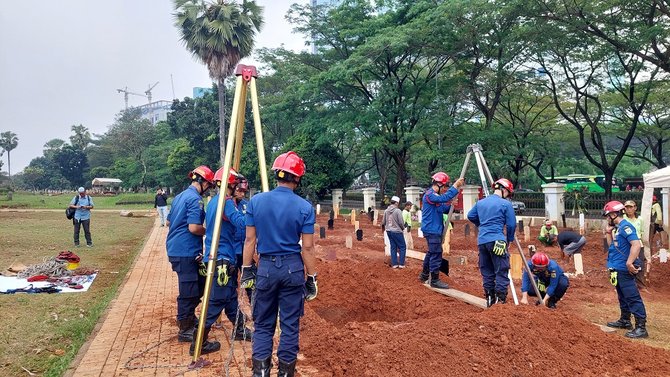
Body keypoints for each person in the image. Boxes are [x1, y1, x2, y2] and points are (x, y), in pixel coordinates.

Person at [240, 151, 318, 376]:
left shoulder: (256, 201)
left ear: (277, 174)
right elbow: (308, 247)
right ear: (298, 178)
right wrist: (312, 277)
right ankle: (285, 373)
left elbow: (249, 240)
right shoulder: (304, 207)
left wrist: (246, 269)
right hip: (293, 268)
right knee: (290, 325)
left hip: (265, 269)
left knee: (263, 323)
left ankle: (261, 372)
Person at [191, 167, 253, 356]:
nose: (238, 188)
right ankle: (198, 343)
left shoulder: (213, 201)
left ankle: (240, 329)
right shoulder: (226, 203)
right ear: (230, 184)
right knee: (217, 301)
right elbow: (241, 223)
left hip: (217, 256)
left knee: (230, 298)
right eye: (236, 184)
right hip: (222, 259)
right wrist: (256, 215)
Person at [166, 165, 214, 343]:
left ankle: (188, 317)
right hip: (185, 251)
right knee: (189, 290)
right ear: (203, 183)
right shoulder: (195, 200)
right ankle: (185, 328)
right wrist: (209, 232)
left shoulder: (179, 196)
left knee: (198, 285)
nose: (209, 188)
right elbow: (194, 227)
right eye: (209, 185)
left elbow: (169, 222)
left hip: (177, 248)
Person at [467, 178, 517, 307]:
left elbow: (470, 216)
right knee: (501, 269)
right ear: (504, 189)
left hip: (482, 241)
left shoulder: (481, 202)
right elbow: (511, 225)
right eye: (508, 193)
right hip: (498, 240)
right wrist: (509, 240)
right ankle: (501, 301)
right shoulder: (505, 204)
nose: (507, 196)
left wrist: (482, 225)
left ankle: (489, 299)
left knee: (487, 270)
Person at [602, 201, 648, 338]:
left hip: (624, 267)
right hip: (616, 266)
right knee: (622, 295)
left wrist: (629, 262)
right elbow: (613, 247)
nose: (606, 219)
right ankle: (625, 320)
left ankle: (641, 327)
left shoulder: (627, 227)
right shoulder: (618, 228)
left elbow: (636, 245)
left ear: (614, 214)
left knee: (632, 296)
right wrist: (608, 233)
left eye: (607, 216)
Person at [419, 172, 465, 289]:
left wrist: (451, 206)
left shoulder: (435, 197)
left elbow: (443, 208)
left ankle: (424, 275)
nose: (445, 189)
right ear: (438, 184)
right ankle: (434, 280)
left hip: (434, 229)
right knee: (436, 253)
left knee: (431, 252)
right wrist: (455, 186)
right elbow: (445, 198)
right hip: (432, 230)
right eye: (444, 186)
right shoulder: (430, 195)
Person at [382, 196, 407, 268]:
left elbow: (383, 221)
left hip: (389, 231)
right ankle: (401, 264)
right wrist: (403, 228)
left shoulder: (386, 211)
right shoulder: (398, 211)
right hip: (397, 231)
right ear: (396, 203)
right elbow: (401, 222)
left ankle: (394, 264)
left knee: (393, 247)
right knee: (402, 247)